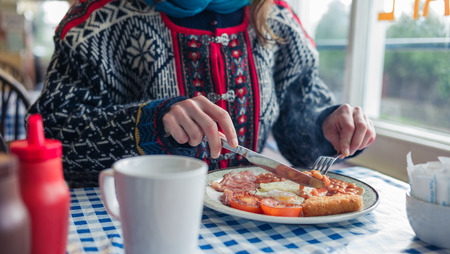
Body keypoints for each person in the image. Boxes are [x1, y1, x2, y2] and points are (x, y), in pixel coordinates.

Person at [27, 0, 375, 188]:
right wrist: (152, 121)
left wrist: (326, 125)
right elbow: (50, 137)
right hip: (136, 224)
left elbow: (299, 135)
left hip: (254, 235)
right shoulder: (94, 23)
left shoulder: (279, 21)